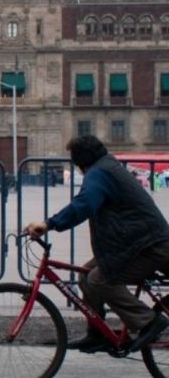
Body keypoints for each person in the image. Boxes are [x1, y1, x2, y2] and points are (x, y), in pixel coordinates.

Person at [23, 134, 169, 353]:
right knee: (85, 274)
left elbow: (84, 204)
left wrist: (49, 224)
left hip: (149, 247)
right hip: (133, 244)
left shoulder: (99, 173)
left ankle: (148, 321)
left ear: (81, 161)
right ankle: (98, 334)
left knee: (99, 280)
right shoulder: (106, 167)